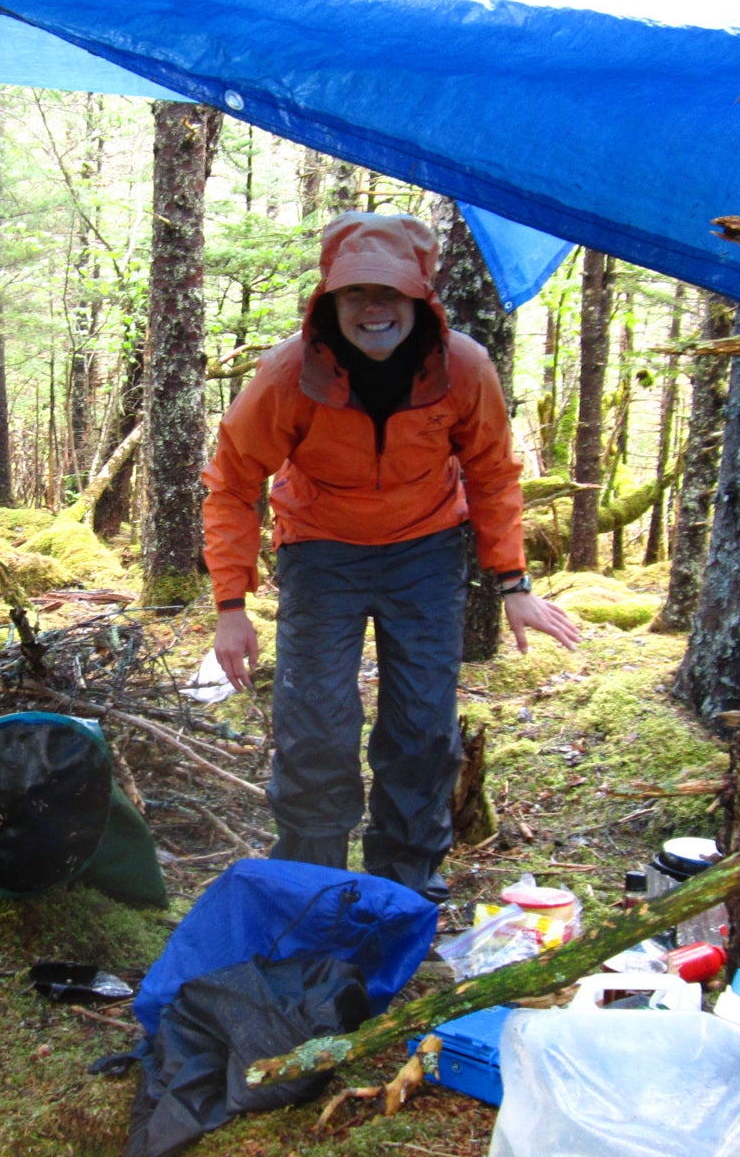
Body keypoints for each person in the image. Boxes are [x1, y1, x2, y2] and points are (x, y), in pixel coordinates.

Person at [203, 211, 581, 898]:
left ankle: (404, 884)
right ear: (331, 302)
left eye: (389, 292)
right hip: (321, 550)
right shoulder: (291, 373)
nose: (373, 308)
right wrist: (231, 604)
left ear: (419, 298)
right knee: (315, 719)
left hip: (426, 549)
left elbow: (493, 472)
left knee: (421, 723)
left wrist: (513, 580)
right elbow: (231, 480)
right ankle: (310, 881)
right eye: (356, 293)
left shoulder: (462, 367)